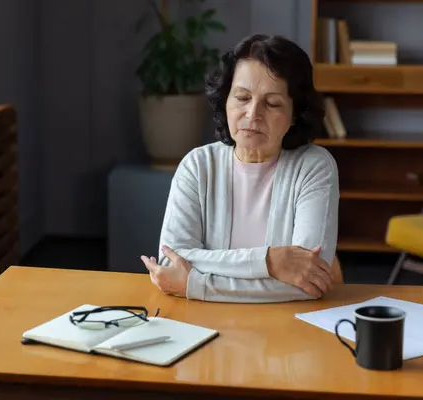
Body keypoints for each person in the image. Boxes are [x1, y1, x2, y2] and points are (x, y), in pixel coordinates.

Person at [140, 34, 340, 303]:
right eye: (242, 97)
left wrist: (196, 284)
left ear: (295, 114)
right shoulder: (197, 166)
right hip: (201, 323)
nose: (252, 114)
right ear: (226, 100)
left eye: (272, 104)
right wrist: (269, 261)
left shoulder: (314, 167)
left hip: (284, 327)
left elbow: (307, 284)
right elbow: (170, 260)